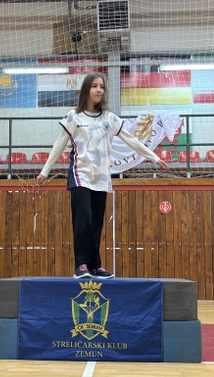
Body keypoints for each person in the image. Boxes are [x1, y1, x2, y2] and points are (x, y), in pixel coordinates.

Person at [36, 73, 169, 279]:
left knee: (96, 223)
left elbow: (131, 140)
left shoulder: (109, 118)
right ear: (86, 90)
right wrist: (45, 171)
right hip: (80, 175)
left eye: (102, 86)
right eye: (94, 86)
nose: (99, 90)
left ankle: (95, 266)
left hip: (101, 179)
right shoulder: (74, 116)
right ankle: (81, 265)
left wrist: (154, 157)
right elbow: (59, 144)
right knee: (83, 221)